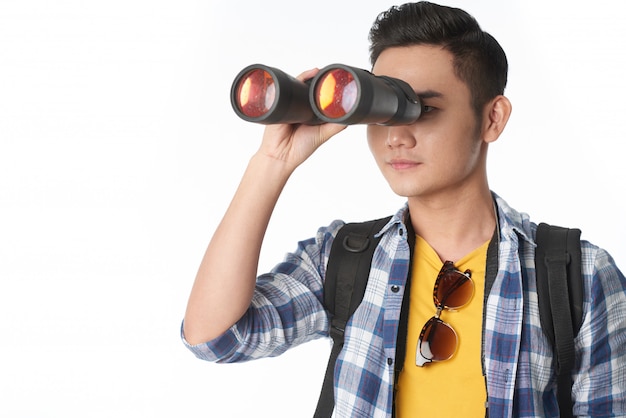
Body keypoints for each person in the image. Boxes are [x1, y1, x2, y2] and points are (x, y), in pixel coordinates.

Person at [181, 2, 626, 416]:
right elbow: (216, 339)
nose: (397, 136)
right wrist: (271, 164)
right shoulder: (346, 257)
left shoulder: (578, 276)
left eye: (425, 109)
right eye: (383, 113)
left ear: (493, 118)